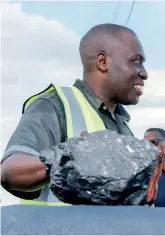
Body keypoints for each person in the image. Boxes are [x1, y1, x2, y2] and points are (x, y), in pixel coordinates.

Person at [1, 23, 148, 205]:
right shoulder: (54, 105)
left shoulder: (123, 124)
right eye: (136, 61)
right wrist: (71, 157)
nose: (144, 73)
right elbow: (10, 173)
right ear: (103, 62)